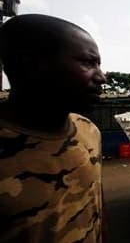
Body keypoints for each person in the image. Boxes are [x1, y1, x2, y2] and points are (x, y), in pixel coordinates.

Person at [0, 14, 106, 243]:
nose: (102, 77)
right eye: (88, 63)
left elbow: (96, 208)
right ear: (32, 65)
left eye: (99, 64)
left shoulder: (89, 131)